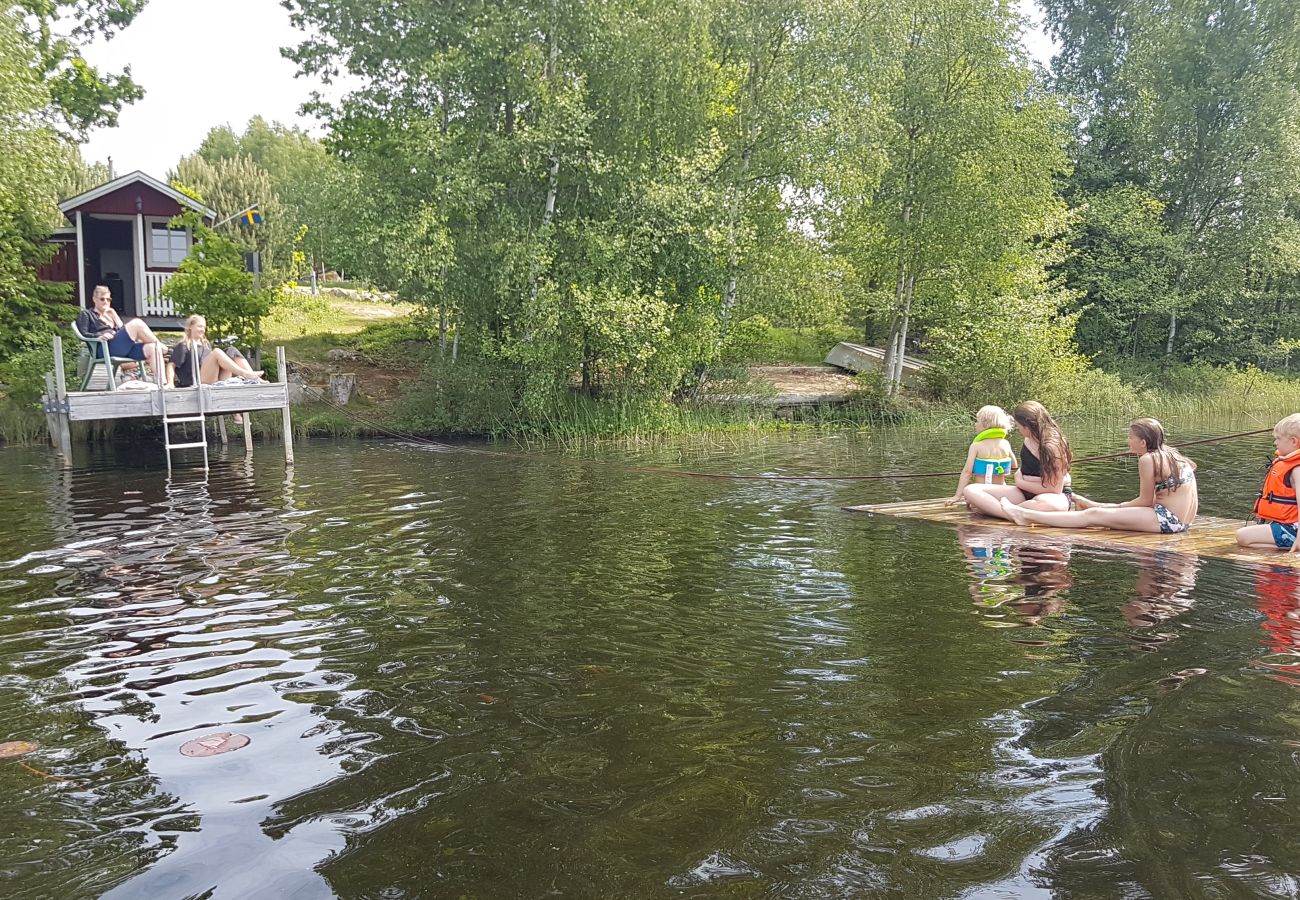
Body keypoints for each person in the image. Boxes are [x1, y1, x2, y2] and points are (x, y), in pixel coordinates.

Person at [999, 417, 1198, 534]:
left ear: (1143, 442)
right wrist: (1105, 506)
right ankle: (1091, 505)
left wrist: (1108, 507)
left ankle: (1024, 515)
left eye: (1130, 438)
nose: (1128, 442)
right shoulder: (1173, 455)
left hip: (1168, 521)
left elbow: (1145, 502)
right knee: (1099, 512)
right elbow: (1156, 499)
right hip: (1182, 521)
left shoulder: (1147, 460)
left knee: (1092, 516)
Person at [963, 400, 1074, 520]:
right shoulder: (1028, 440)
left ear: (1027, 427)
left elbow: (1054, 489)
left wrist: (1020, 481)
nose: (1018, 430)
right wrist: (1025, 481)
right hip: (1023, 493)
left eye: (1018, 426)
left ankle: (1005, 511)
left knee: (1045, 503)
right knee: (971, 490)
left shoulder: (1053, 446)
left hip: (1052, 496)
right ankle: (1013, 512)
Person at [1235, 413, 1300, 553]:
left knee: (1243, 536)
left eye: (1278, 438)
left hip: (1295, 528)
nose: (1275, 443)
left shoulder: (1297, 469)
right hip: (1289, 525)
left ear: (1294, 441)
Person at [74, 284, 167, 379]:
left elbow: (124, 331)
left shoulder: (110, 314)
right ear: (94, 299)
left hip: (121, 347)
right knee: (136, 323)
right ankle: (162, 346)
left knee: (153, 348)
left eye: (108, 299)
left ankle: (163, 384)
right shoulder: (87, 314)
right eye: (102, 299)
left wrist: (115, 317)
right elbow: (83, 334)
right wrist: (100, 336)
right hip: (104, 348)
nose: (106, 302)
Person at [166, 314, 264, 389]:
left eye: (204, 327)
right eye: (200, 326)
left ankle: (255, 378)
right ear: (191, 327)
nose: (202, 330)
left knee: (231, 350)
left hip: (215, 379)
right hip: (196, 381)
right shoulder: (184, 346)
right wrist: (170, 382)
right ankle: (245, 374)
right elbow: (171, 365)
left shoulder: (206, 346)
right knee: (216, 352)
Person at [945, 405, 1016, 505]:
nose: (975, 424)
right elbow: (1014, 465)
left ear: (985, 425)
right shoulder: (1005, 443)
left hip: (982, 493)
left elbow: (967, 472)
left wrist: (957, 496)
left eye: (977, 421)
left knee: (968, 495)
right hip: (1000, 492)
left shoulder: (976, 446)